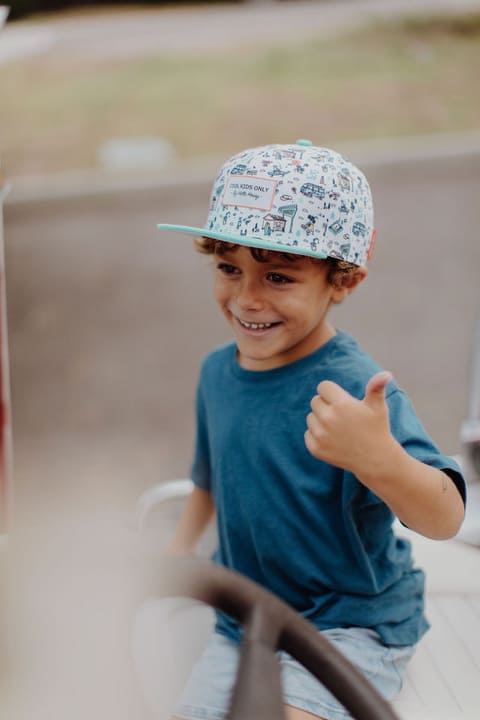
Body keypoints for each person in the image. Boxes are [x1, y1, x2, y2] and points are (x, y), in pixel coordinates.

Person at [157, 140, 466, 720]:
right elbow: (208, 476)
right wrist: (179, 547)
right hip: (244, 615)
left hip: (350, 623)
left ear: (342, 281)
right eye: (229, 267)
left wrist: (380, 459)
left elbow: (445, 516)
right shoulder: (216, 372)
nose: (246, 297)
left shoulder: (357, 392)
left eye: (277, 276)